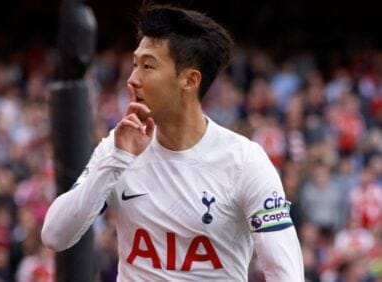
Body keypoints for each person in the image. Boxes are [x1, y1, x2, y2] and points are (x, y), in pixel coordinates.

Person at [42, 4, 304, 281]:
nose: (132, 79)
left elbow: (285, 271)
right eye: (134, 64)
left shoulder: (244, 161)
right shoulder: (118, 148)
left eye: (148, 66)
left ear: (189, 80)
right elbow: (55, 236)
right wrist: (117, 161)